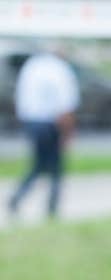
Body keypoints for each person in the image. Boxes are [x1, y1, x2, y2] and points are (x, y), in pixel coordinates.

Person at [6, 44, 79, 221]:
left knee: (38, 163)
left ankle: (18, 197)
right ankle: (51, 209)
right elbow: (65, 106)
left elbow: (21, 97)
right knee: (55, 167)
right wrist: (67, 134)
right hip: (51, 122)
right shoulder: (60, 70)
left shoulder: (32, 66)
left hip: (31, 121)